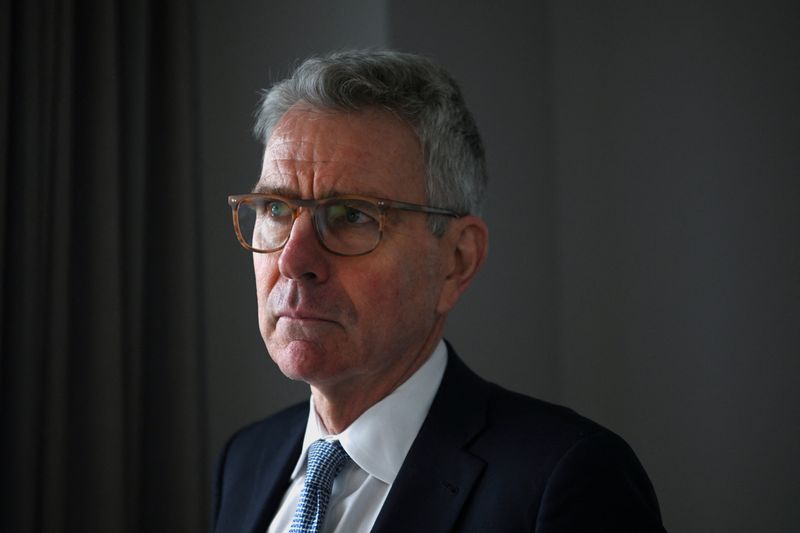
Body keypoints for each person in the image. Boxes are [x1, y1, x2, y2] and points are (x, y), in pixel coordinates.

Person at [212, 49, 666, 533]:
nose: (293, 261)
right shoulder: (247, 459)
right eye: (276, 210)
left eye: (352, 216)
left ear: (456, 261)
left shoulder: (567, 481)